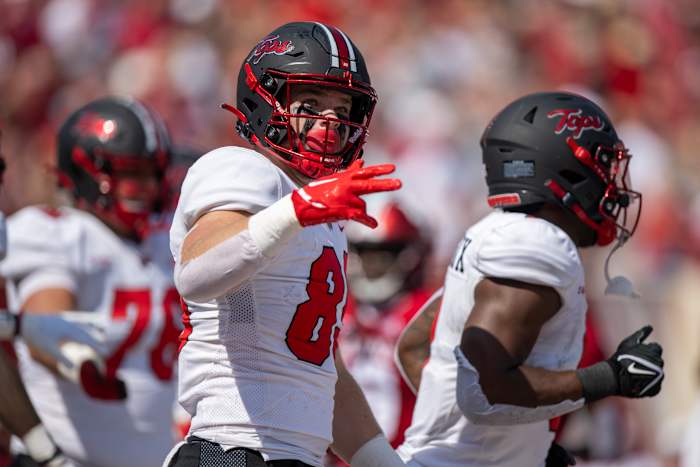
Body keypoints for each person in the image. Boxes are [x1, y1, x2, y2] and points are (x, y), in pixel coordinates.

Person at [166, 21, 405, 467]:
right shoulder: (244, 170)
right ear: (266, 102)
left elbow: (318, 373)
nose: (329, 123)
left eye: (342, 108)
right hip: (231, 451)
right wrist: (298, 209)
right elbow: (196, 273)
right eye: (310, 103)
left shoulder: (318, 211)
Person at [394, 92, 665, 467]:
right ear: (566, 167)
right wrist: (609, 378)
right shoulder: (538, 243)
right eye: (602, 165)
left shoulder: (494, 231)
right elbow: (485, 391)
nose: (612, 186)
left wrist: (516, 443)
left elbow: (414, 347)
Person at [0, 97, 181, 467]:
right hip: (66, 459)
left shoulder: (168, 240)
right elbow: (48, 324)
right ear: (87, 171)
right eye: (131, 173)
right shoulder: (59, 234)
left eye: (152, 172)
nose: (145, 186)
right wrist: (78, 360)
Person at [339, 200, 432, 449]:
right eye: (367, 254)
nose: (374, 265)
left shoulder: (427, 310)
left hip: (410, 454)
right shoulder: (337, 306)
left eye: (384, 254)